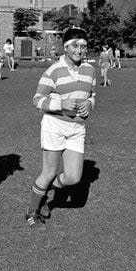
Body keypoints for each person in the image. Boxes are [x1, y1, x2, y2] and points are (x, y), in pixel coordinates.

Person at [24, 27, 96, 227]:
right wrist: (59, 104)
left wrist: (89, 104)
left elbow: (92, 95)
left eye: (83, 46)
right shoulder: (53, 70)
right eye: (75, 45)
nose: (79, 50)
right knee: (48, 172)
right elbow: (37, 100)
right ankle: (32, 211)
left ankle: (44, 192)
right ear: (65, 48)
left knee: (73, 177)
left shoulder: (90, 70)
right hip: (54, 125)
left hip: (77, 128)